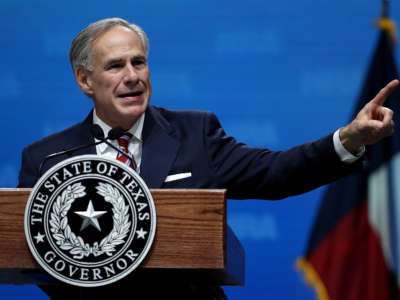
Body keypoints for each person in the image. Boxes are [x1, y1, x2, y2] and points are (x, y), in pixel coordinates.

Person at [17, 18, 398, 299]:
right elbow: (34, 255)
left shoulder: (193, 134)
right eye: (116, 66)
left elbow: (275, 172)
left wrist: (347, 139)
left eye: (139, 62)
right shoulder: (46, 158)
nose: (133, 76)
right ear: (85, 80)